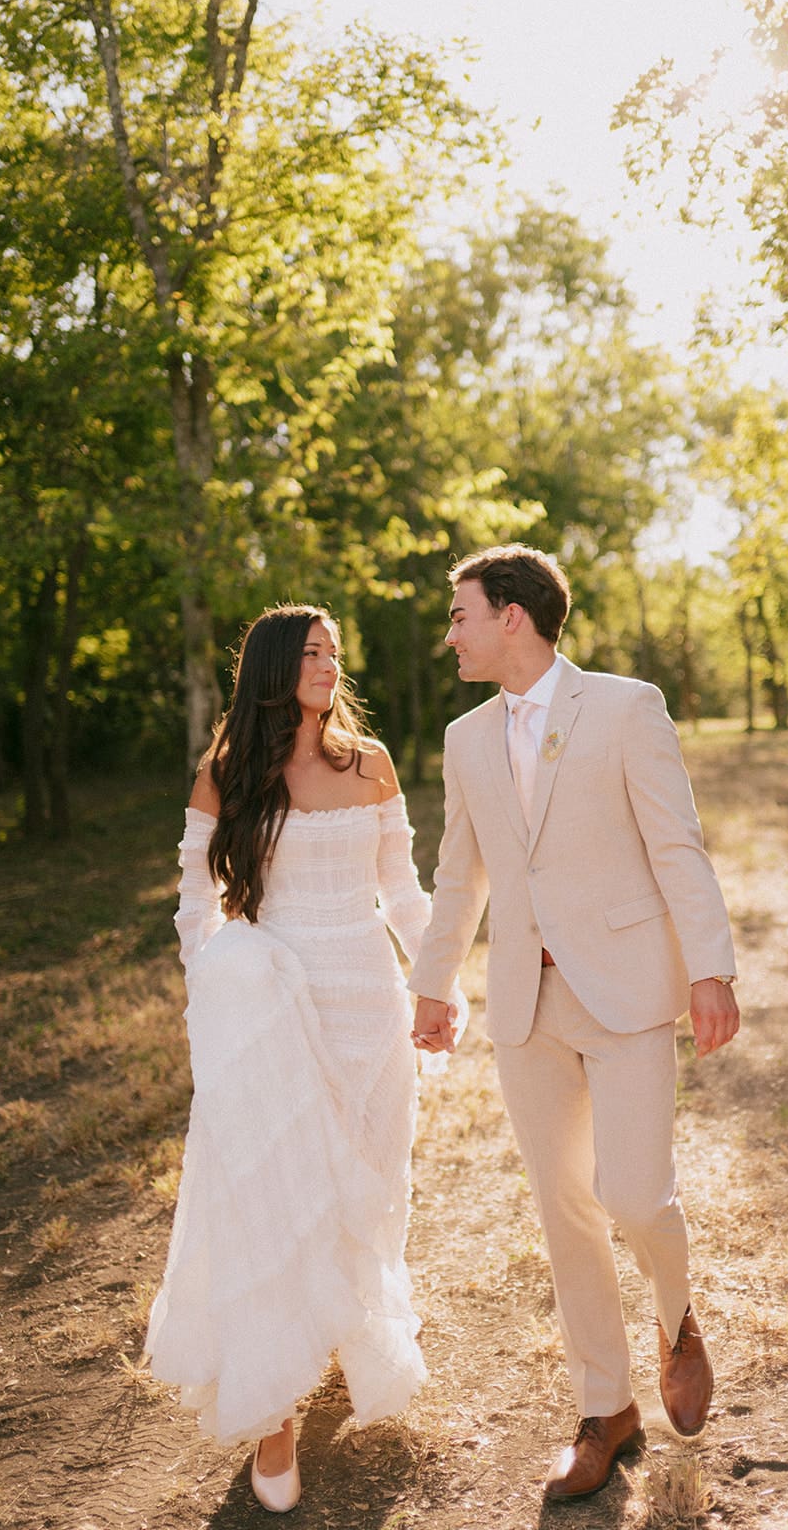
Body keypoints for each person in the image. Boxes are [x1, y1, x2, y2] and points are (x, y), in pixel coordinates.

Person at [408, 545, 739, 1501]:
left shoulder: (627, 707)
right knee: (565, 1212)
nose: (451, 633)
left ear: (513, 615)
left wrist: (709, 968)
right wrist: (435, 983)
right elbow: (458, 872)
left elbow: (677, 844)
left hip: (629, 987)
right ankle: (605, 1408)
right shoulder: (466, 737)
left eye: (461, 614)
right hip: (526, 1001)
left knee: (634, 1196)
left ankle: (678, 1321)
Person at [145, 603, 462, 1514]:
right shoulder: (228, 773)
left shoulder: (369, 765)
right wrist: (223, 984)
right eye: (313, 652)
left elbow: (403, 892)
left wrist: (438, 984)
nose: (329, 664)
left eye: (335, 652)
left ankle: (330, 1332)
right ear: (275, 666)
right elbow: (194, 908)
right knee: (276, 1200)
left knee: (363, 1187)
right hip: (275, 1012)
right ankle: (273, 1411)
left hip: (370, 1009)